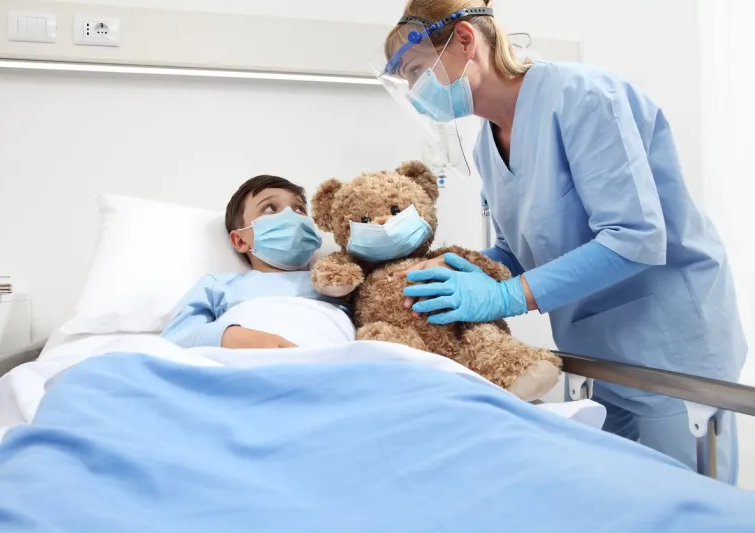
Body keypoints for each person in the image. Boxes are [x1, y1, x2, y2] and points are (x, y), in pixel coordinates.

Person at [379, 0, 747, 484]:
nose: (415, 91)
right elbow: (516, 250)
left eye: (417, 71)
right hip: (595, 351)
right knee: (615, 500)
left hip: (668, 348)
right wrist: (465, 268)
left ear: (465, 40)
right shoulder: (488, 145)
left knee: (685, 506)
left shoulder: (584, 96)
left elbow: (634, 237)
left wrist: (505, 296)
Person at [161, 175, 353, 350]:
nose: (291, 216)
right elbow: (178, 335)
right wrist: (233, 336)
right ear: (241, 241)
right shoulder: (220, 286)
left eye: (299, 209)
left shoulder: (341, 282)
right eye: (270, 208)